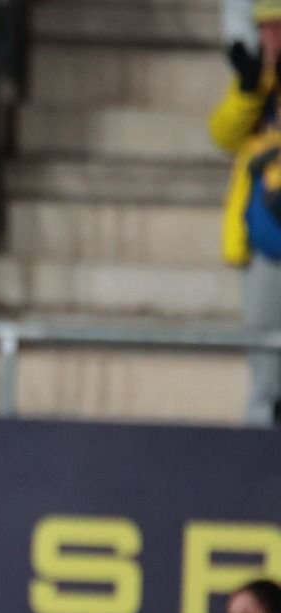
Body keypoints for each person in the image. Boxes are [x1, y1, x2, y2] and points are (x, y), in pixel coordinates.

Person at [212, 0, 281, 426]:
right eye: (265, 29)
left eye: (277, 28)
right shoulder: (260, 83)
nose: (270, 38)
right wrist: (248, 88)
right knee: (265, 361)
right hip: (266, 238)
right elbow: (221, 133)